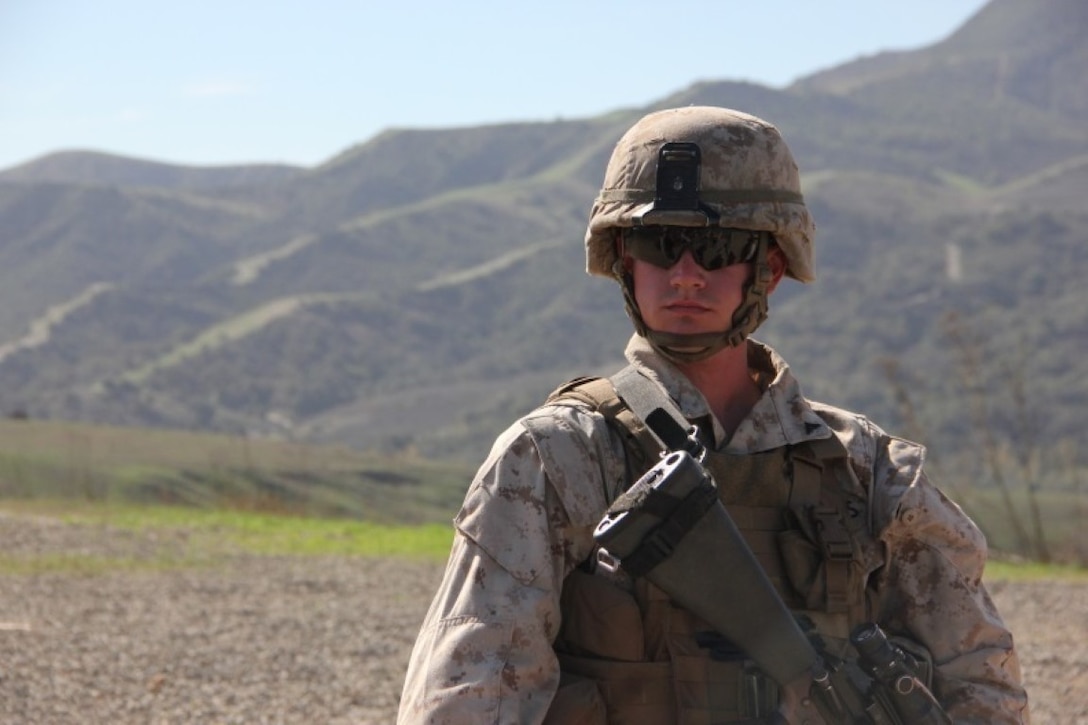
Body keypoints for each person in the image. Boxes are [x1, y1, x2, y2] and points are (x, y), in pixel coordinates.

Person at [397, 106, 1029, 723]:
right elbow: (470, 697)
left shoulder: (870, 473)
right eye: (658, 243)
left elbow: (980, 682)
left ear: (771, 268)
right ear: (624, 259)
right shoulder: (557, 457)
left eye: (717, 247)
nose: (685, 275)